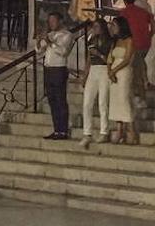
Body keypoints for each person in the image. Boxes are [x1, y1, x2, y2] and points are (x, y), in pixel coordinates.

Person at [36, 12, 74, 140]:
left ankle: (63, 130)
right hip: (48, 69)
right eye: (49, 21)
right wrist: (38, 41)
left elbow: (63, 52)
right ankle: (56, 129)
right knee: (52, 101)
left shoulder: (67, 35)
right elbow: (40, 50)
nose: (51, 23)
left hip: (59, 70)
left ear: (60, 21)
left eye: (53, 21)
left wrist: (50, 42)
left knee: (60, 100)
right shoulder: (50, 35)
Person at [118, 0, 155, 109]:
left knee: (135, 71)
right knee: (139, 66)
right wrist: (149, 35)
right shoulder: (143, 11)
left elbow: (120, 29)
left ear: (124, 1)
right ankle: (142, 87)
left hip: (133, 44)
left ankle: (139, 96)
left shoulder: (124, 13)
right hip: (145, 43)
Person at [81, 18, 113, 150]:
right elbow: (89, 58)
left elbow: (109, 59)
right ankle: (87, 132)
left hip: (104, 69)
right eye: (94, 27)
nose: (94, 29)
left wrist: (99, 54)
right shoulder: (91, 40)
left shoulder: (109, 41)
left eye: (97, 27)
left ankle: (104, 131)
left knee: (102, 102)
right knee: (87, 102)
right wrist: (85, 74)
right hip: (93, 70)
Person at [106, 16, 138, 144]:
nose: (112, 28)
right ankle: (119, 130)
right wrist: (109, 70)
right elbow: (110, 57)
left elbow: (127, 59)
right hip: (113, 71)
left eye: (114, 25)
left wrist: (114, 70)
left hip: (124, 71)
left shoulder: (129, 40)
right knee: (115, 101)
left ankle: (131, 130)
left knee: (124, 99)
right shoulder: (115, 41)